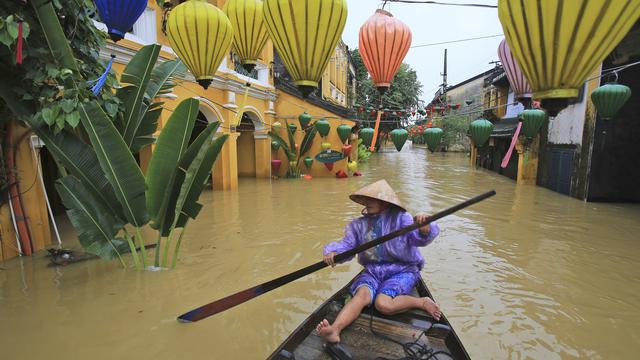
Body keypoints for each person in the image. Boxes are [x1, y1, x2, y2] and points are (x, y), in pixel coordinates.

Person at [316, 179, 442, 344]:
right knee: (361, 295)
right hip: (373, 271)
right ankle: (335, 330)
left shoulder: (401, 219)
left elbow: (419, 239)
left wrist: (424, 228)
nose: (367, 202)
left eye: (372, 199)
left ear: (384, 203)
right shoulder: (358, 225)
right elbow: (347, 246)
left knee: (383, 304)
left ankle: (421, 301)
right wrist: (333, 253)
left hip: (402, 270)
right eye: (366, 199)